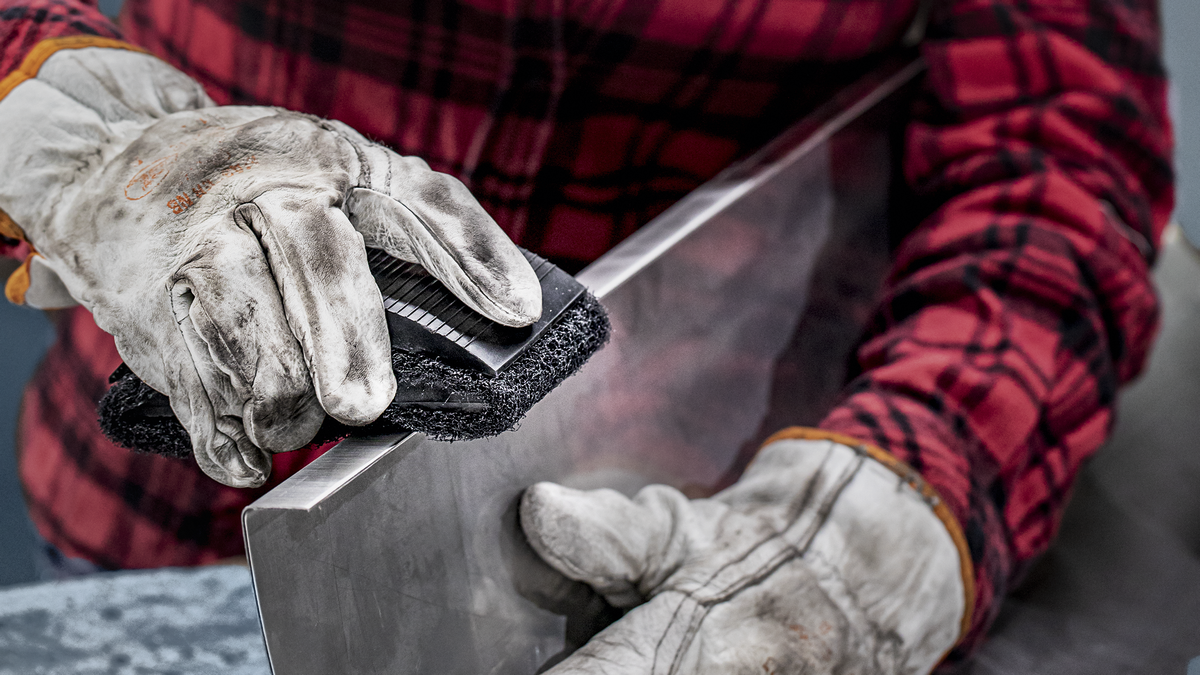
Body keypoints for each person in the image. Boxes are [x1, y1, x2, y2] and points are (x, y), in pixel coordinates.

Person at [0, 0, 1172, 670]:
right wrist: (94, 147)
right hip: (181, 523)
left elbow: (1056, 155)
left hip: (676, 540)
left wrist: (888, 513)